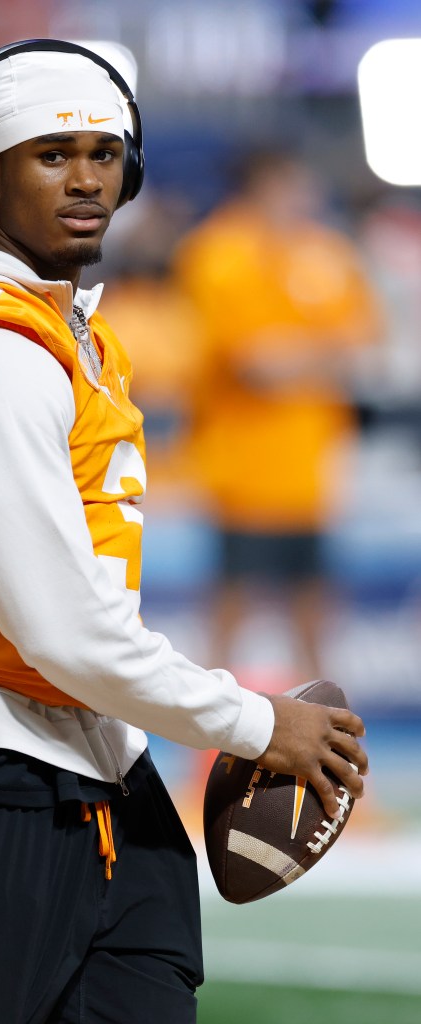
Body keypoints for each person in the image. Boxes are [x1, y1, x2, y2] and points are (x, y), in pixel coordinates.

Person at [0, 42, 368, 1024]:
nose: (86, 179)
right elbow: (61, 630)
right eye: (52, 154)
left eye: (105, 153)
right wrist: (257, 724)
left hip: (98, 766)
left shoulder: (69, 329)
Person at [171, 148, 382, 688]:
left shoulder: (324, 251)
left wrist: (297, 355)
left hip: (311, 466)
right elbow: (256, 364)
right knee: (231, 606)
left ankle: (329, 728)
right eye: (294, 183)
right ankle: (205, 727)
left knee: (313, 611)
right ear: (264, 184)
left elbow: (366, 347)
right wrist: (322, 354)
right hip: (243, 467)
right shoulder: (220, 251)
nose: (307, 196)